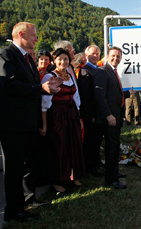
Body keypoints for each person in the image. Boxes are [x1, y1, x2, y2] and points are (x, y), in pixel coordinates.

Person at [0, 22, 61, 222]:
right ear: (20, 34)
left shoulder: (26, 58)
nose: (36, 38)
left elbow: (34, 85)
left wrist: (48, 85)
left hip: (27, 123)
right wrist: (40, 89)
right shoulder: (7, 54)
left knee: (24, 166)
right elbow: (8, 85)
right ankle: (13, 211)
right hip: (13, 124)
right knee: (14, 169)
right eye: (33, 35)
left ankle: (23, 203)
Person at [40, 48, 85, 193]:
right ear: (54, 61)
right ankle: (58, 180)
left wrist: (79, 117)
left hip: (71, 115)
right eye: (59, 59)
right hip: (57, 116)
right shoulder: (49, 77)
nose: (63, 62)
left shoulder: (70, 75)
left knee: (74, 144)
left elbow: (76, 97)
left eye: (65, 59)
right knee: (60, 147)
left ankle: (74, 175)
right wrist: (45, 125)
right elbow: (44, 104)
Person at [94, 46, 127, 189]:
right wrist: (108, 115)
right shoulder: (102, 71)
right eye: (113, 56)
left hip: (116, 116)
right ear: (107, 56)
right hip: (110, 117)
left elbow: (113, 93)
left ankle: (114, 172)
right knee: (111, 147)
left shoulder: (113, 71)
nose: (116, 58)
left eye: (118, 56)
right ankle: (111, 179)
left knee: (115, 145)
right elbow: (100, 96)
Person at [77, 45, 104, 177]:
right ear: (86, 55)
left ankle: (96, 162)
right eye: (93, 53)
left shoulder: (98, 69)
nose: (95, 56)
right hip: (91, 114)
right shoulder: (85, 72)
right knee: (90, 141)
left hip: (99, 112)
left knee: (97, 140)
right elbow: (86, 97)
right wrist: (90, 115)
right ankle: (90, 167)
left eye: (97, 54)